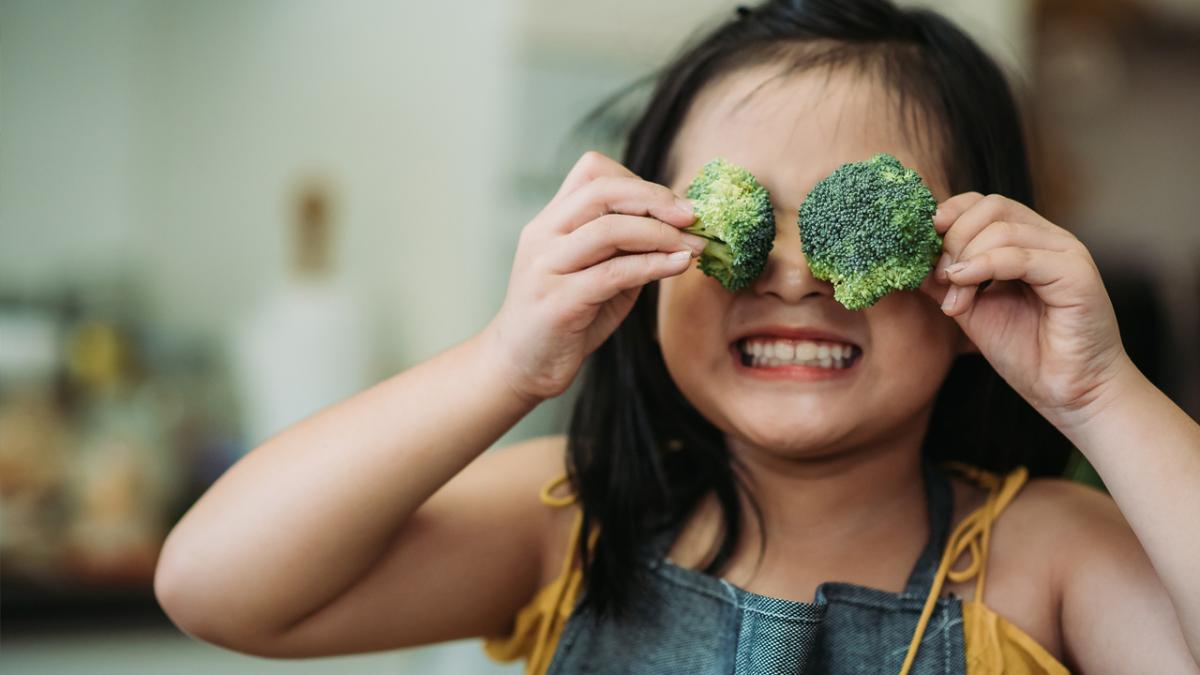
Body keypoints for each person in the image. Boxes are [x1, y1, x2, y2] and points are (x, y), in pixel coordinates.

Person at [153, 1, 1200, 672]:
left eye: (859, 223)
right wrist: (504, 363)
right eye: (733, 220)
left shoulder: (1048, 555)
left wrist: (1100, 397)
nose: (792, 271)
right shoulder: (570, 517)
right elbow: (214, 586)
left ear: (978, 283)